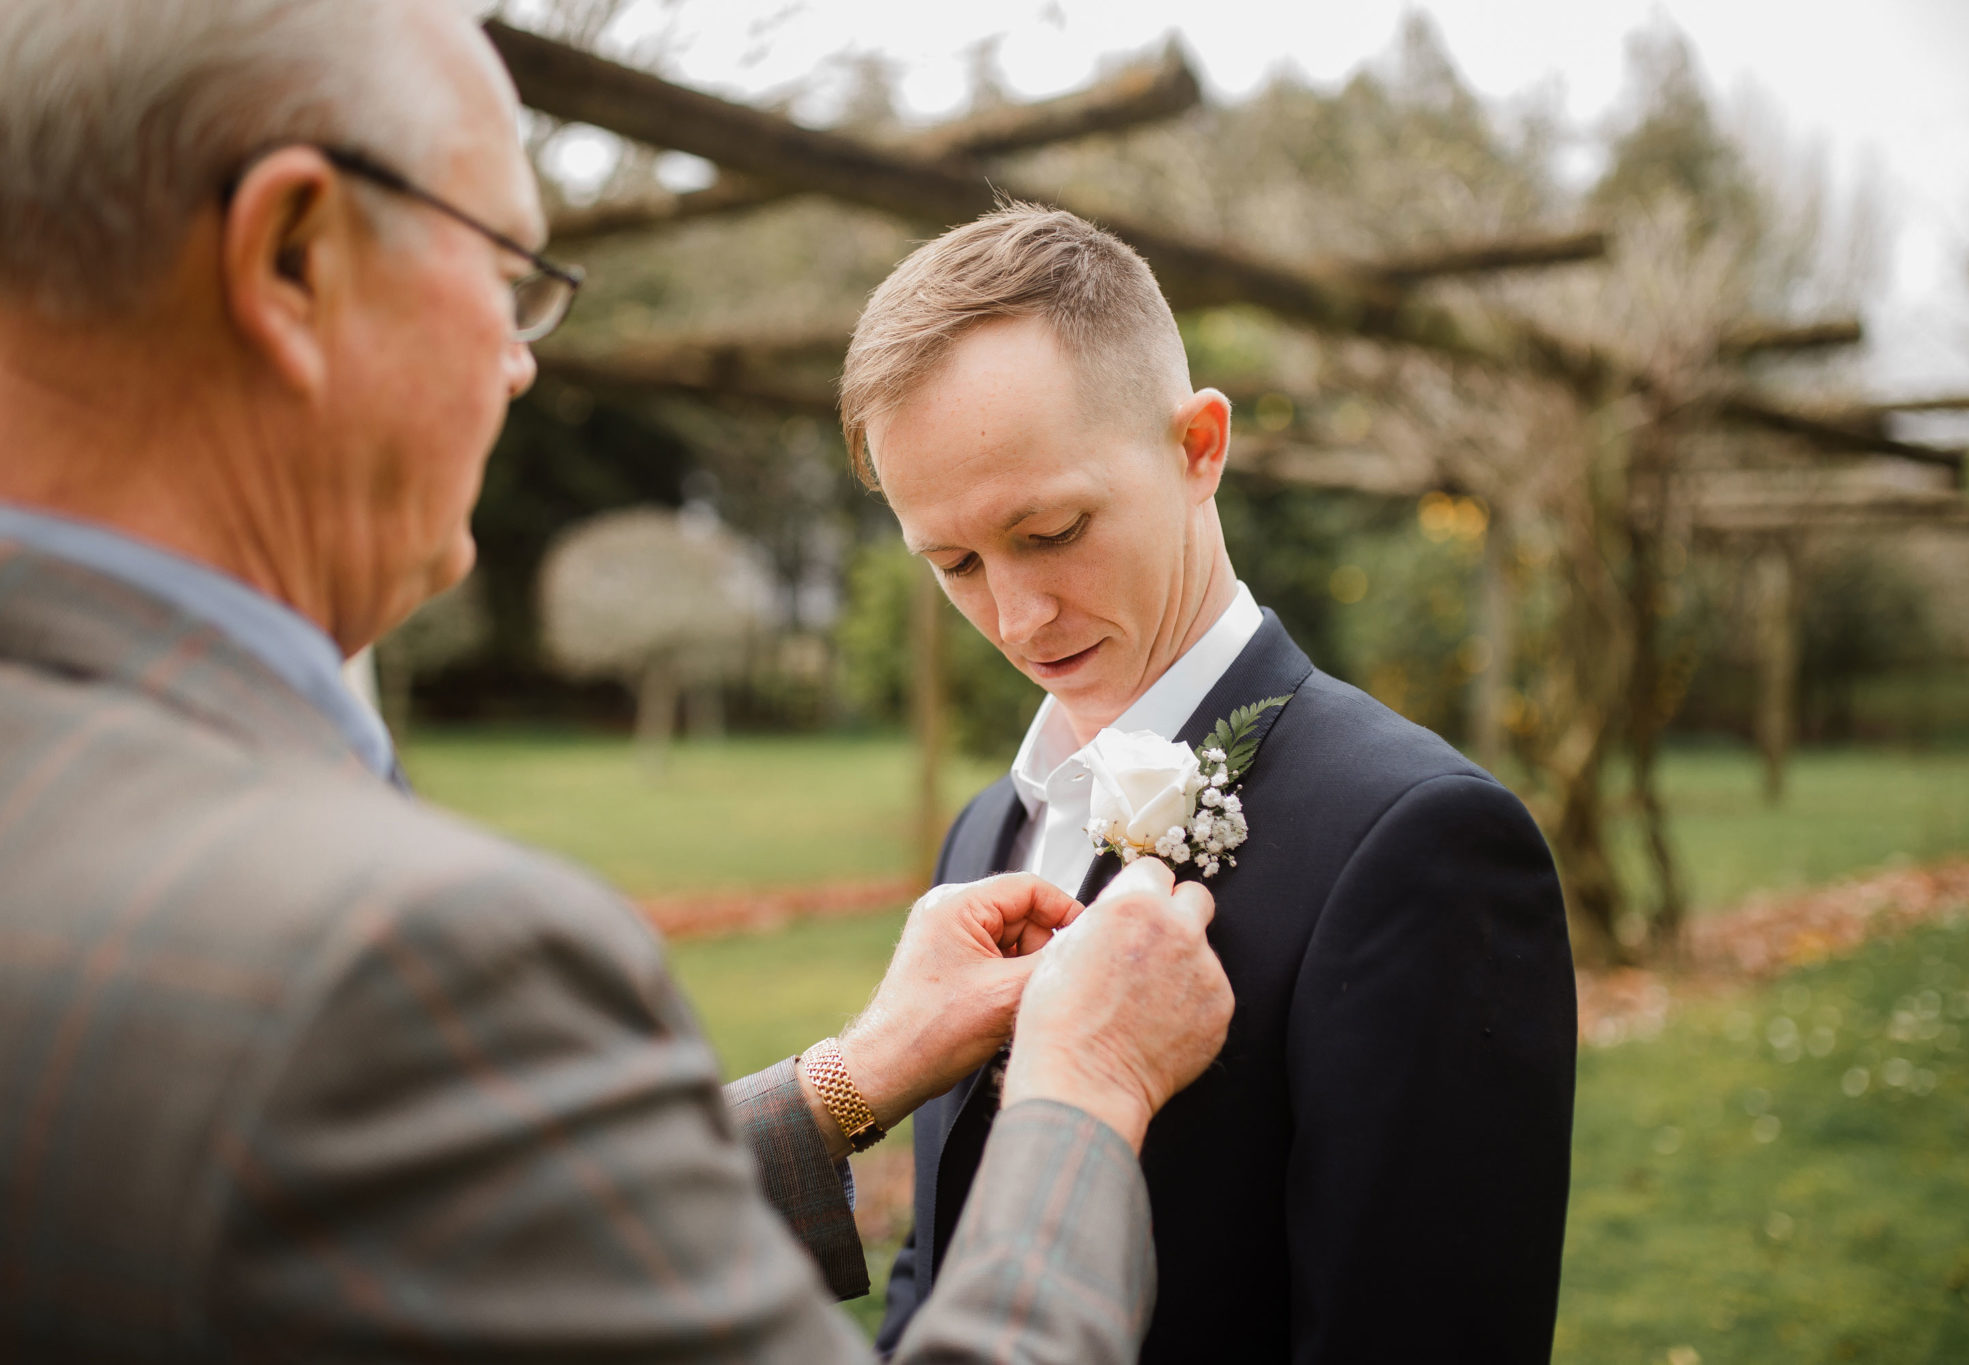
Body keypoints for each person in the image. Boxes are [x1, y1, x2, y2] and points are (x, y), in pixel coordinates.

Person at [0, 3, 1236, 1359]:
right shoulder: (397, 960)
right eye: (507, 275)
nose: (522, 363)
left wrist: (839, 1084)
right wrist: (1083, 1087)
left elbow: (429, 1239)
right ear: (294, 258)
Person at [847, 205, 1581, 1363]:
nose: (1015, 616)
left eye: (1051, 530)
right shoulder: (986, 830)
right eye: (954, 564)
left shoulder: (1420, 844)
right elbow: (936, 1258)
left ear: (1198, 448)